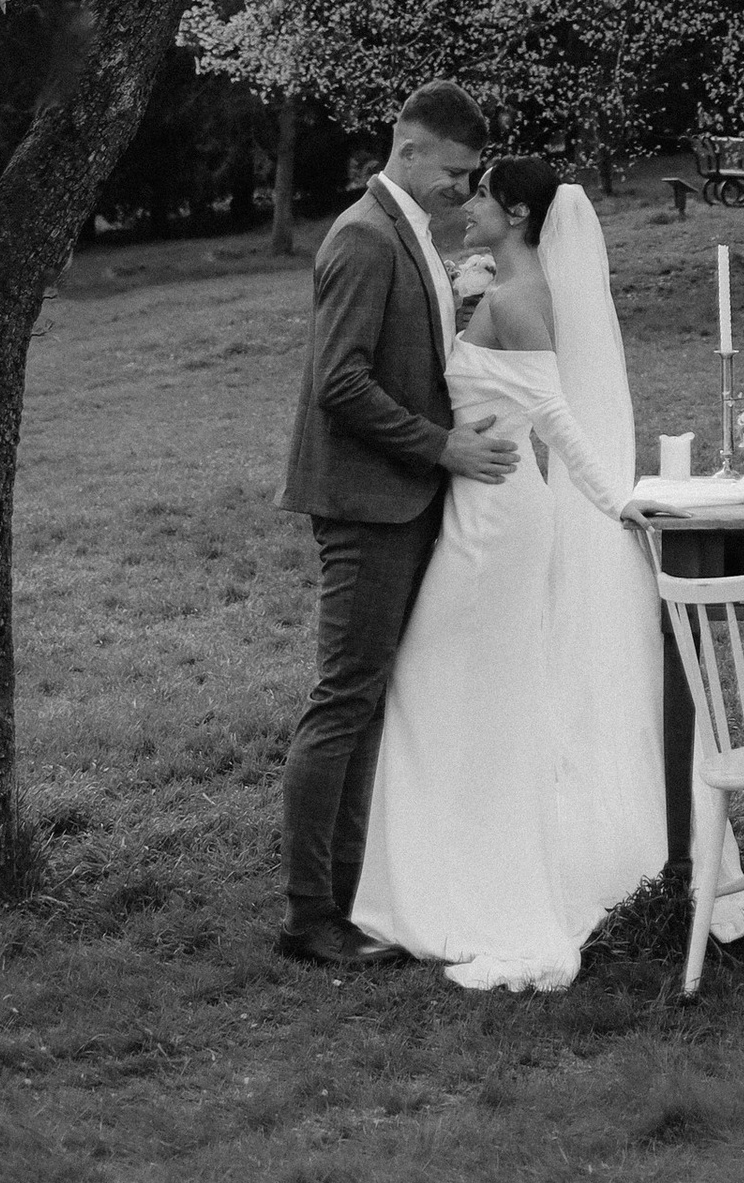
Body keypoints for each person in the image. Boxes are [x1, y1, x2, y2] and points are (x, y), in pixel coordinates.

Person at [349, 157, 689, 990]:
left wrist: (616, 502)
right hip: (479, 508)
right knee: (456, 689)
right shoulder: (503, 291)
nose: (468, 208)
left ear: (519, 212)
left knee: (437, 682)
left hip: (499, 524)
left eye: (482, 198)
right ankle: (452, 866)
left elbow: (556, 419)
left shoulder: (516, 300)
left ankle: (475, 885)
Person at [277, 81, 518, 967]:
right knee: (342, 702)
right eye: (455, 172)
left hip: (398, 498)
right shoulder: (364, 237)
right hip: (366, 502)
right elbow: (338, 384)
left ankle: (349, 899)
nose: (463, 189)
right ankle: (309, 917)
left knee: (366, 702)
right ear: (410, 150)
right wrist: (443, 448)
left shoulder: (407, 229)